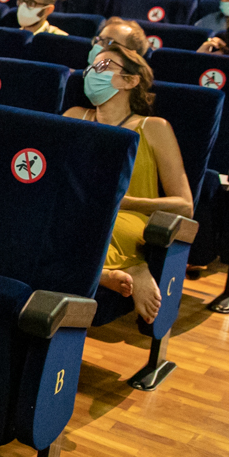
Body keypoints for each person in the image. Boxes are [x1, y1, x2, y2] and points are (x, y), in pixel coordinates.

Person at [66, 48, 193, 323]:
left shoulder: (154, 127)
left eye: (104, 66)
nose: (92, 73)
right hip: (75, 211)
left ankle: (119, 269)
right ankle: (116, 272)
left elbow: (185, 205)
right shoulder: (74, 116)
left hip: (126, 218)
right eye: (91, 67)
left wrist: (124, 201)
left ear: (130, 80)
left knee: (87, 230)